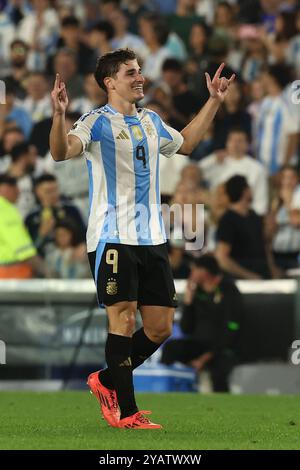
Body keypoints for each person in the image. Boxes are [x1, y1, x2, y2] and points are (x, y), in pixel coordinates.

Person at [49, 48, 234, 429]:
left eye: (140, 71)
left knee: (160, 327)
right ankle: (128, 413)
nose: (140, 78)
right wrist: (57, 115)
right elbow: (60, 152)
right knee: (122, 317)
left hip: (152, 237)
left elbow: (186, 143)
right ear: (109, 82)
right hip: (111, 236)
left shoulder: (151, 121)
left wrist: (213, 101)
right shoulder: (95, 122)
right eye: (131, 73)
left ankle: (104, 379)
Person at [161, 254, 243, 392]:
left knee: (220, 369)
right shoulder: (196, 293)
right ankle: (167, 391)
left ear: (204, 272)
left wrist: (203, 359)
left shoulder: (229, 290)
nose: (191, 273)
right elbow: (186, 329)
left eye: (194, 270)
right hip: (199, 344)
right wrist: (188, 301)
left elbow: (232, 328)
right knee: (171, 348)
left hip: (222, 347)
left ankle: (223, 405)